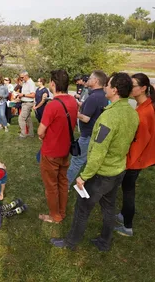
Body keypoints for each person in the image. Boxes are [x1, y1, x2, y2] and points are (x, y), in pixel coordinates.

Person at [50, 72, 139, 251]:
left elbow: (98, 152)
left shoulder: (108, 117)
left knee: (82, 208)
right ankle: (105, 242)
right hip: (118, 170)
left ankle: (70, 242)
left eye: (108, 85)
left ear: (114, 90)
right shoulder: (132, 112)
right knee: (108, 207)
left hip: (102, 174)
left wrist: (84, 176)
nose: (105, 87)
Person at [115, 73, 155, 237]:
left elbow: (141, 142)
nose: (130, 88)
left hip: (136, 159)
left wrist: (129, 163)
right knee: (127, 189)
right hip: (137, 157)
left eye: (133, 85)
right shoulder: (144, 105)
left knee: (128, 190)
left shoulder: (145, 113)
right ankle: (124, 214)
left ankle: (127, 226)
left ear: (143, 88)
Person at [38, 69, 78, 223]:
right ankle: (62, 212)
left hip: (51, 152)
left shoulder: (52, 105)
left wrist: (43, 136)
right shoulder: (73, 101)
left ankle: (55, 216)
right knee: (63, 181)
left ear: (53, 84)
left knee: (51, 186)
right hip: (65, 150)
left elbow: (41, 131)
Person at [67, 70, 108, 188]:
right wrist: (80, 104)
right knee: (88, 160)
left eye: (90, 78)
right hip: (95, 134)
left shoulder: (93, 97)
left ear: (95, 81)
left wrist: (73, 112)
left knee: (77, 160)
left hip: (88, 135)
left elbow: (85, 118)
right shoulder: (103, 95)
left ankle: (65, 185)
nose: (87, 80)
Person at [17, 71, 36, 138]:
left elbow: (33, 95)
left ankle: (23, 134)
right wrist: (20, 96)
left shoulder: (31, 83)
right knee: (28, 119)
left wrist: (23, 95)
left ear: (26, 76)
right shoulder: (25, 83)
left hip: (28, 103)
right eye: (20, 77)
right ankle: (31, 134)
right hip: (24, 102)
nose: (21, 79)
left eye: (22, 77)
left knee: (21, 118)